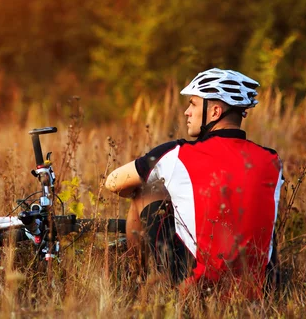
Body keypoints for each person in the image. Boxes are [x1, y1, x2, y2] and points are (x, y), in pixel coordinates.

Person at [104, 68, 283, 297]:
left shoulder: (177, 154)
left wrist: (163, 193)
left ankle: (138, 280)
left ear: (215, 111)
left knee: (144, 191)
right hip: (262, 291)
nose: (187, 112)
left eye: (193, 104)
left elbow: (112, 182)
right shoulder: (272, 160)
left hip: (198, 290)